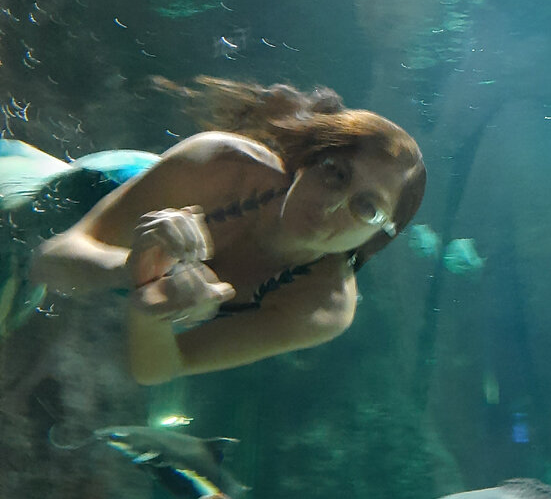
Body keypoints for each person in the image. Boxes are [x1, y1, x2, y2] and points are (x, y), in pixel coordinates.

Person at [30, 77, 426, 384]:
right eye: (335, 173)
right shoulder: (216, 160)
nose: (333, 205)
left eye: (367, 208)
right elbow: (49, 259)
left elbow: (160, 369)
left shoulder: (322, 308)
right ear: (307, 160)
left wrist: (153, 309)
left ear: (378, 237)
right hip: (98, 180)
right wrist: (134, 270)